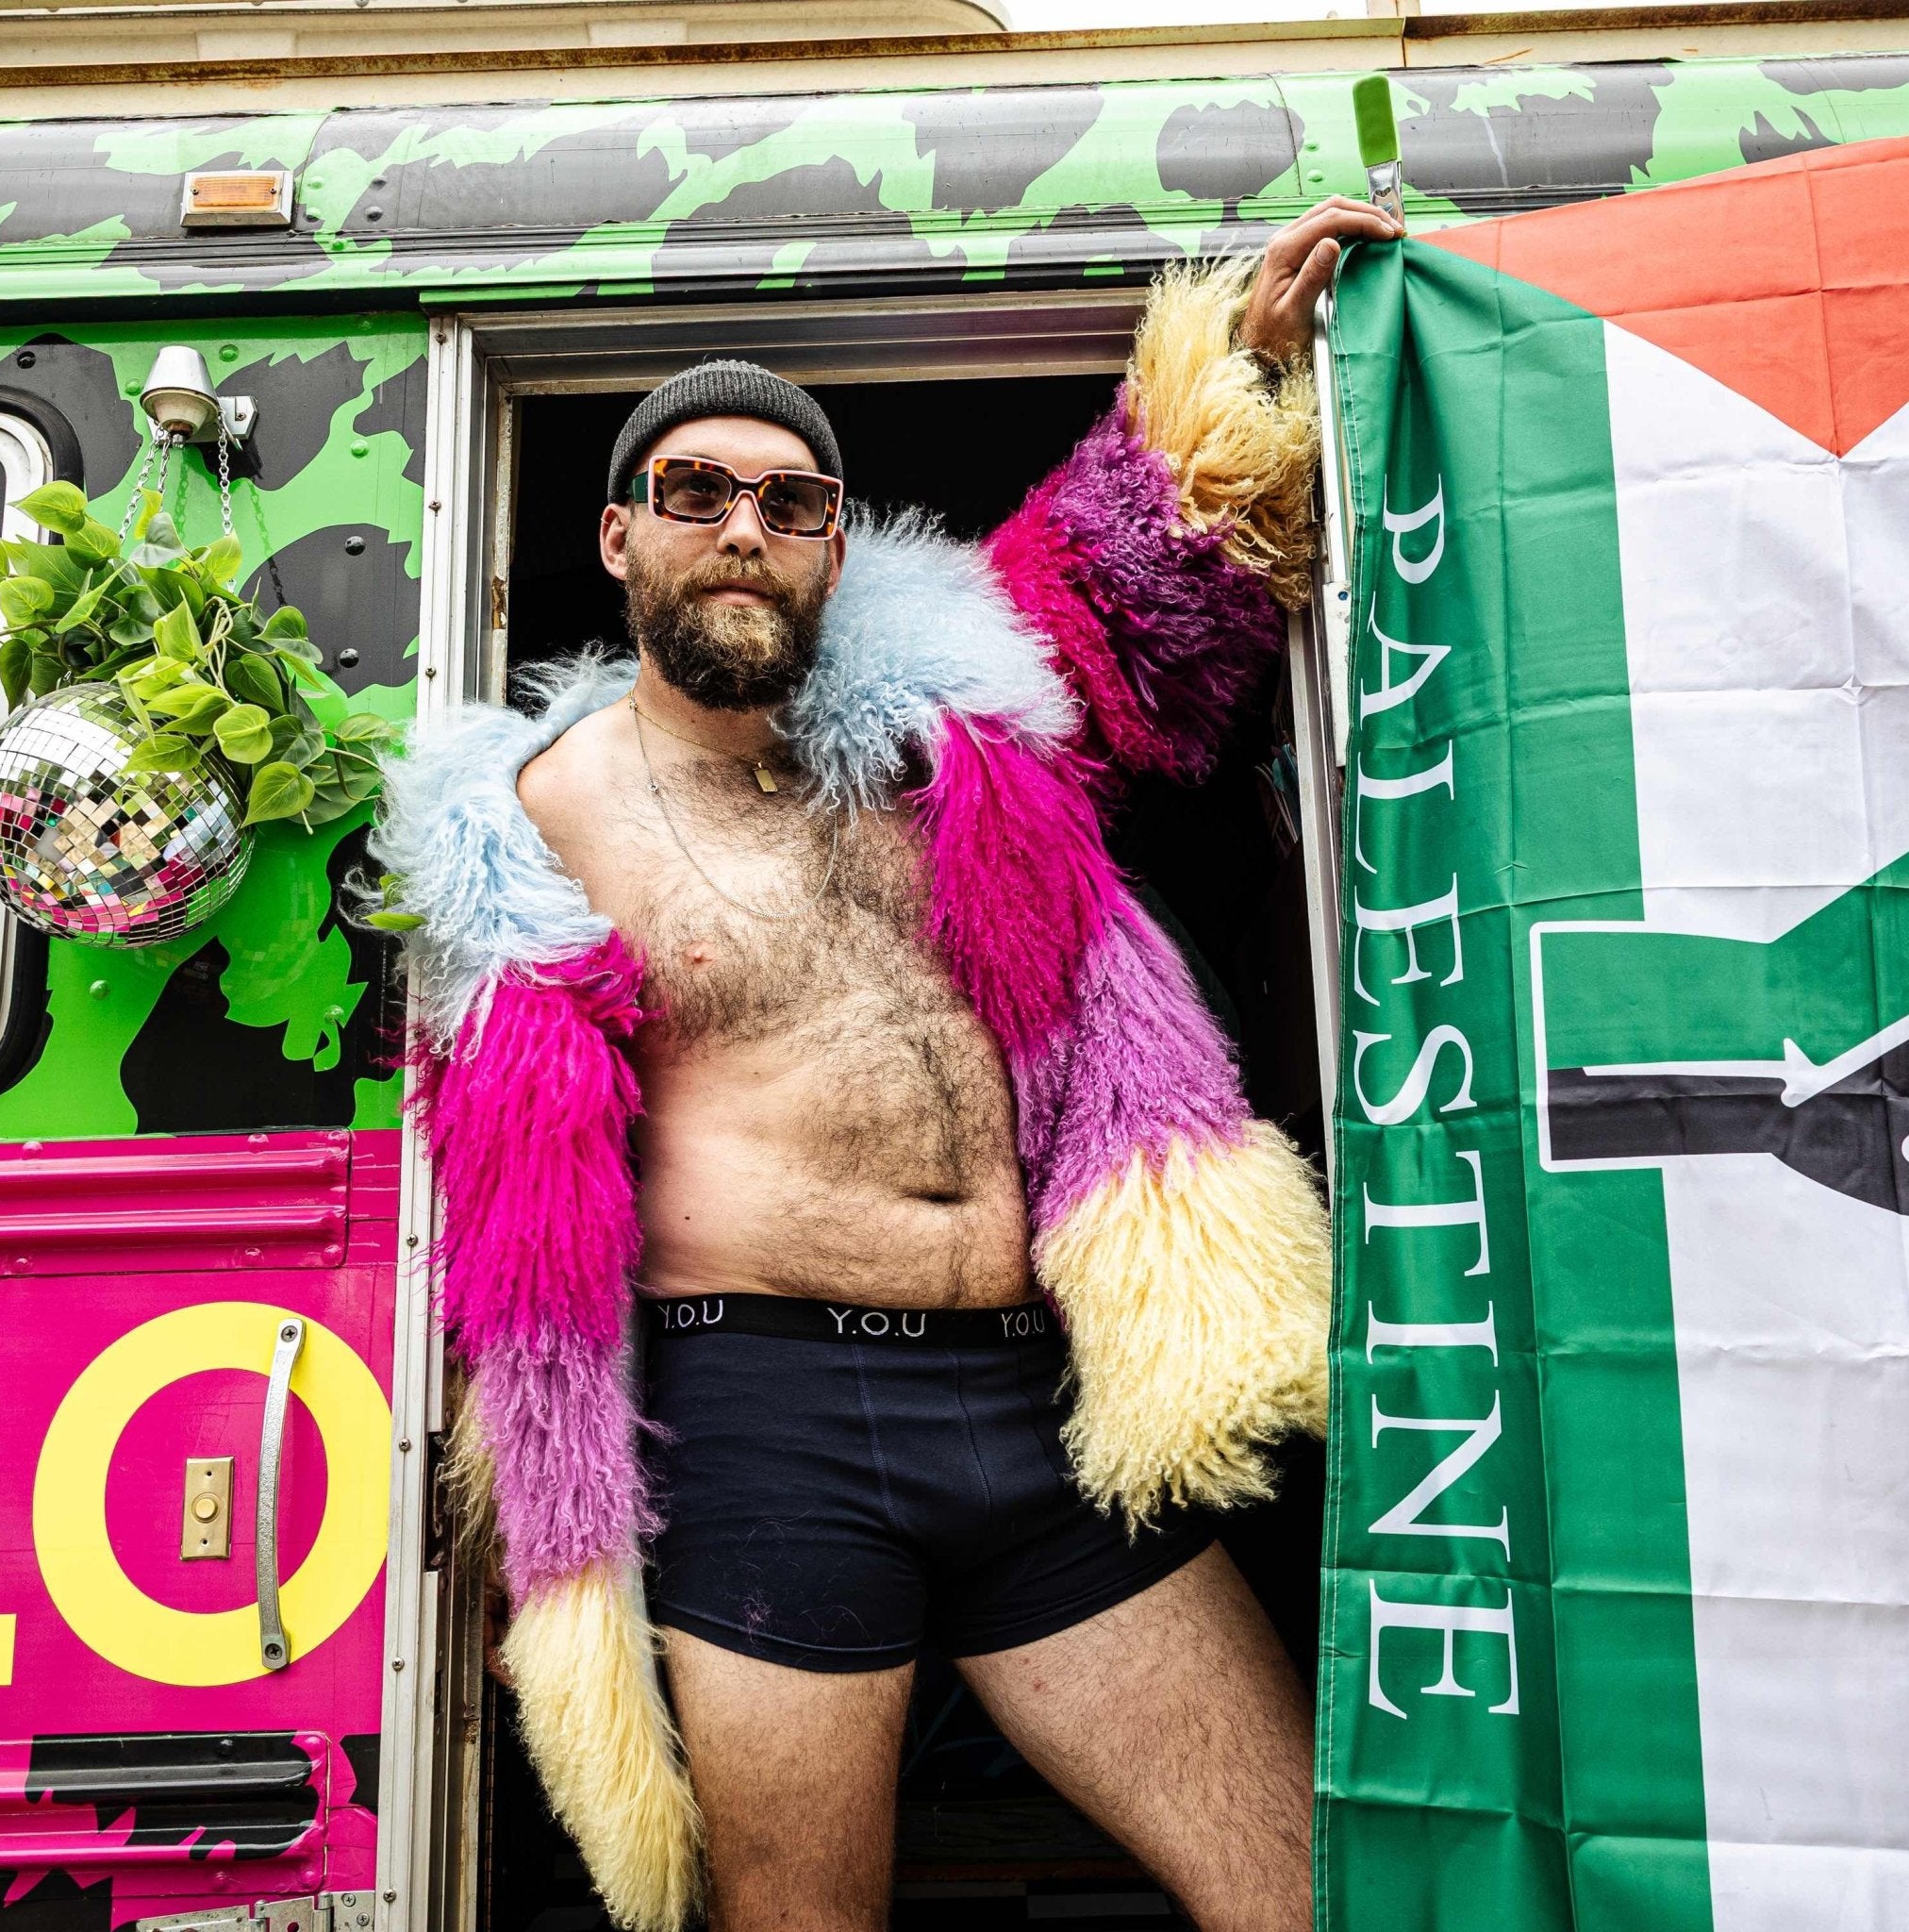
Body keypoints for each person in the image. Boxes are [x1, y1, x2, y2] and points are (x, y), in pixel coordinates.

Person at [374, 195, 1403, 1932]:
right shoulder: (543, 827)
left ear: (836, 546)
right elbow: (524, 1226)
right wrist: (527, 1530)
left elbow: (1137, 560)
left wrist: (1248, 360)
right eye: (695, 492)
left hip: (1035, 1405)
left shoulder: (960, 719)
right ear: (619, 538)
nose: (743, 529)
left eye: (790, 502)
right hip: (766, 1425)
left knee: (1303, 1888)